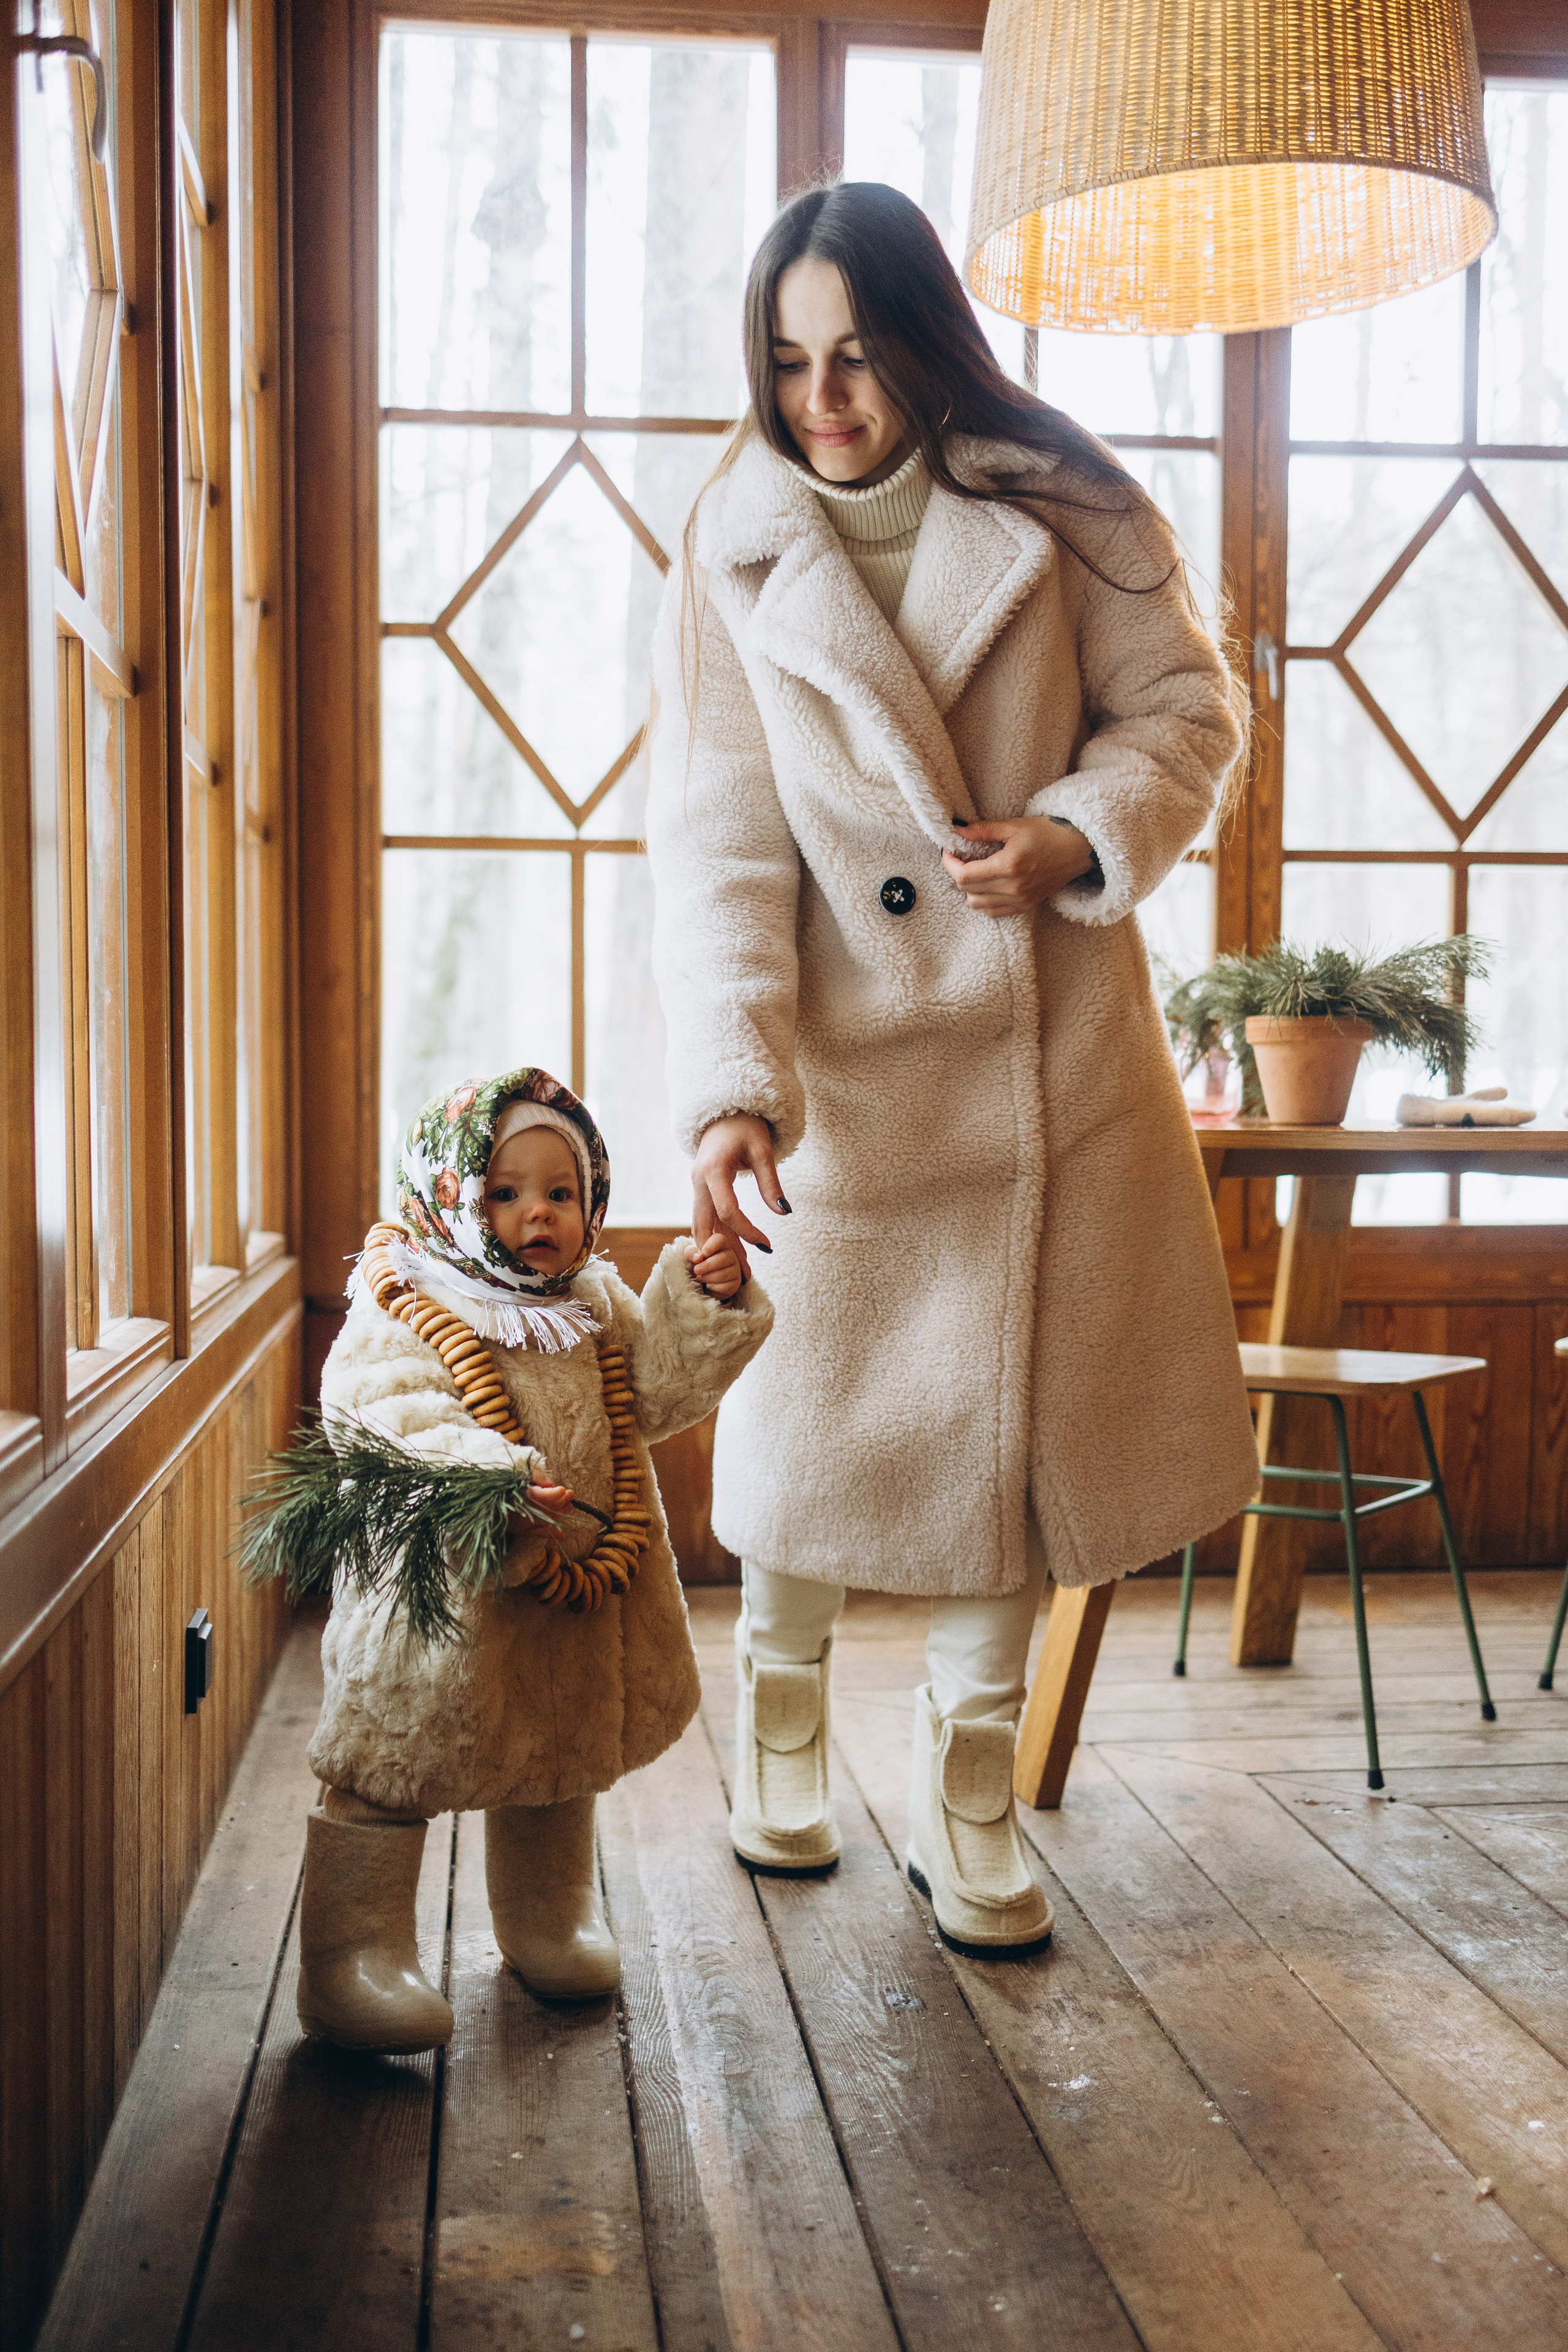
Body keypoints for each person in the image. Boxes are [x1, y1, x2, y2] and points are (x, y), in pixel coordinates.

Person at [645, 183, 1258, 1957]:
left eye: (854, 355)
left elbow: (1187, 714)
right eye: (786, 362)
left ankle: (967, 1795)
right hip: (840, 1062)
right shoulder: (733, 541)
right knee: (811, 1421)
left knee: (1020, 1432)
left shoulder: (1066, 504)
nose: (821, 399)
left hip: (1047, 1052)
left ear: (923, 343)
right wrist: (732, 1083)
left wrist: (1074, 835)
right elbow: (719, 834)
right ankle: (780, 1733)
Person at [296, 1067, 771, 2051]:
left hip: (568, 1603)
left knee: (555, 1750)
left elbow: (652, 1394)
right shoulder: (406, 1304)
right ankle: (352, 1957)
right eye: (505, 1192)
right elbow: (388, 1416)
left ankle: (548, 1920)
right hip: (442, 1603)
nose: (538, 1214)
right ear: (450, 1195)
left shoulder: (590, 1302)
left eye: (562, 1191)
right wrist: (489, 1481)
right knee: (393, 1759)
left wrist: (702, 1299)